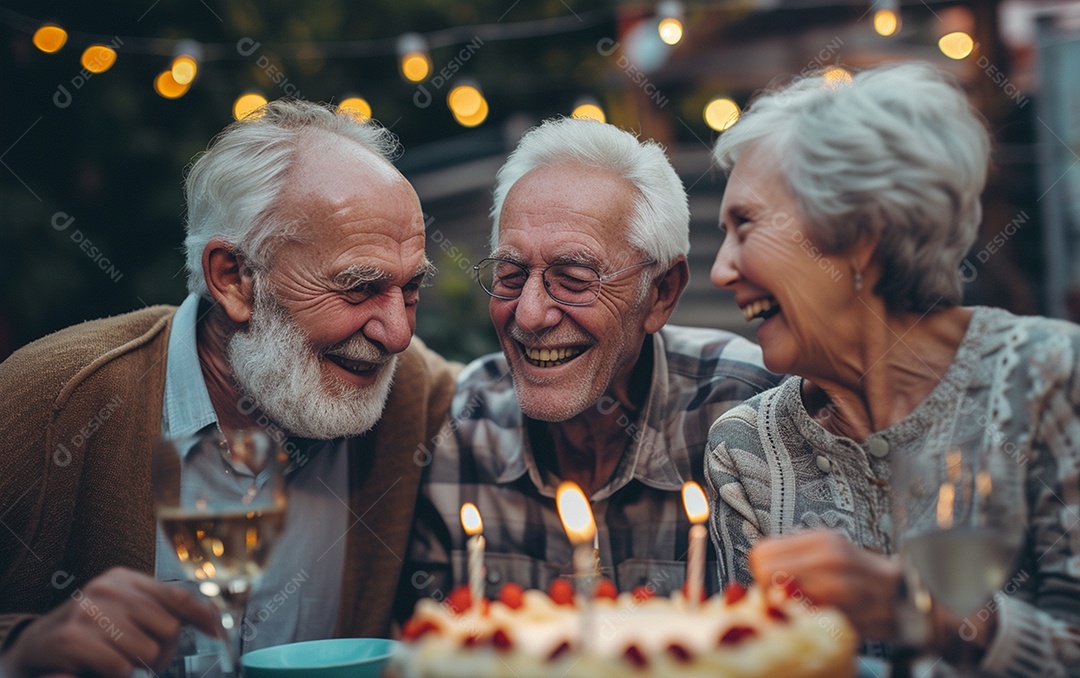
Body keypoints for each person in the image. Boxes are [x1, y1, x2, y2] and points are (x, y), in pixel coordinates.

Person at [0, 99, 459, 677]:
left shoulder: (413, 397)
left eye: (411, 289)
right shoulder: (54, 401)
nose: (397, 333)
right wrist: (21, 650)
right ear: (234, 278)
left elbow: (521, 398)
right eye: (358, 288)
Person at [704, 62, 1080, 675]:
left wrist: (921, 611)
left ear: (860, 234)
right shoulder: (747, 447)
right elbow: (755, 661)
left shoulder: (1051, 377)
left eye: (744, 225)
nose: (721, 269)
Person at [399, 117, 779, 614]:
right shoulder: (465, 428)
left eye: (574, 279)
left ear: (661, 293)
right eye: (511, 276)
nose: (530, 315)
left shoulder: (750, 410)